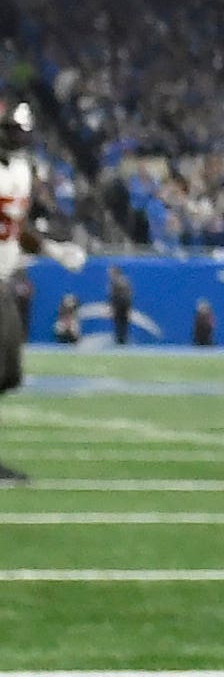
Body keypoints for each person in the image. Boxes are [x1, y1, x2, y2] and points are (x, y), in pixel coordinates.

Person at [2, 97, 88, 488]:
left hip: (2, 280)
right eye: (11, 132)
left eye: (20, 133)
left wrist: (53, 249)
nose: (16, 140)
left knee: (9, 372)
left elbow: (17, 228)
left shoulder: (21, 170)